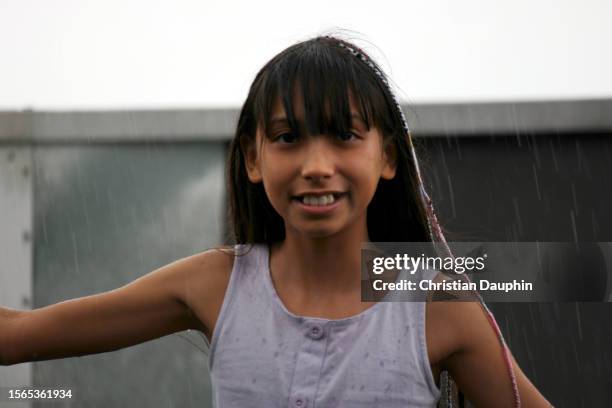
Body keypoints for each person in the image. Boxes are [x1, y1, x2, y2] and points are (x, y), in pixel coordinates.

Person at [0, 35, 552, 407]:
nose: (315, 167)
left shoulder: (439, 307)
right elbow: (19, 336)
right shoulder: (216, 285)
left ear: (388, 157)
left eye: (344, 136)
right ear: (252, 158)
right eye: (288, 138)